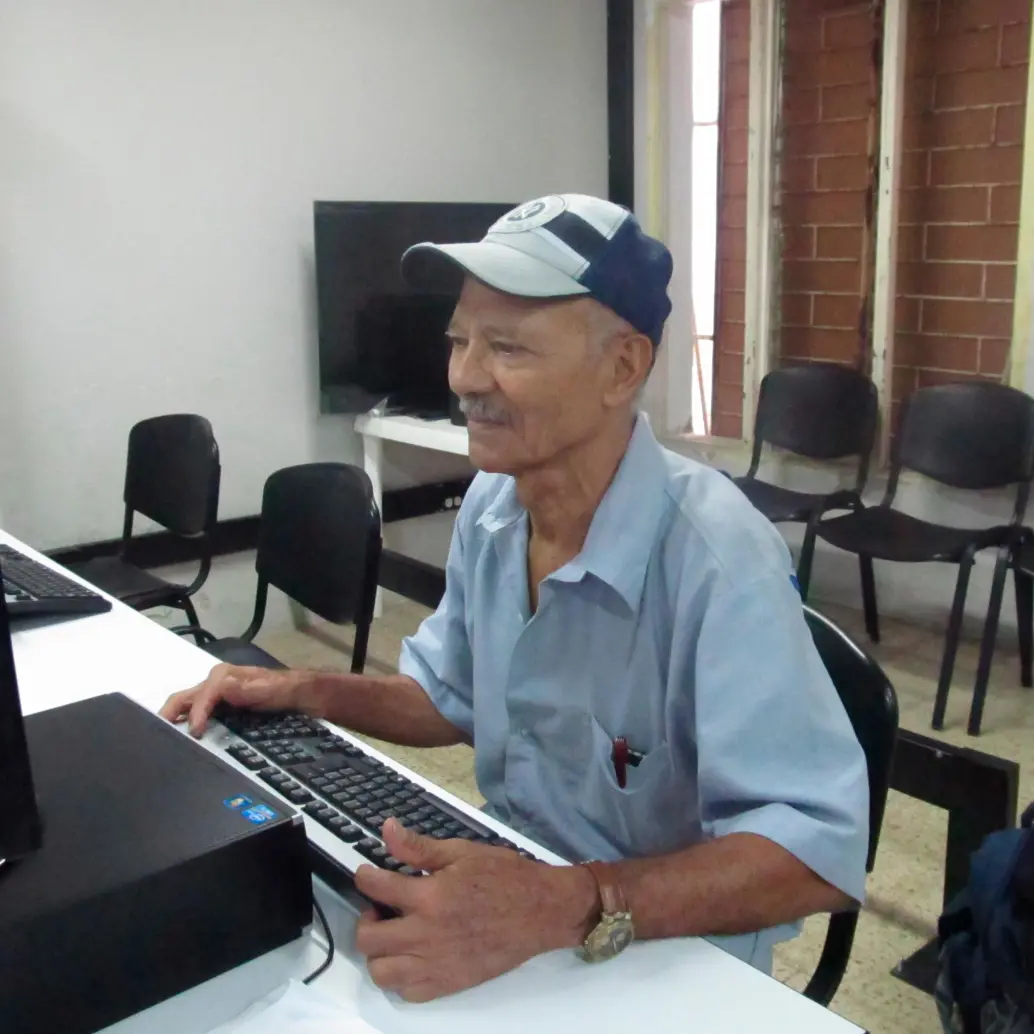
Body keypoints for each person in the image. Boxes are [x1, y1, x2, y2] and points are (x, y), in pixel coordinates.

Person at [161, 194, 869, 1004]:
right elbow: (447, 697)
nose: (463, 377)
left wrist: (564, 902)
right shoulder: (497, 511)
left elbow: (817, 853)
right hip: (516, 909)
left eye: (507, 348)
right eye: (459, 340)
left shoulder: (717, 560)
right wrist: (298, 690)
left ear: (623, 368)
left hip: (666, 960)